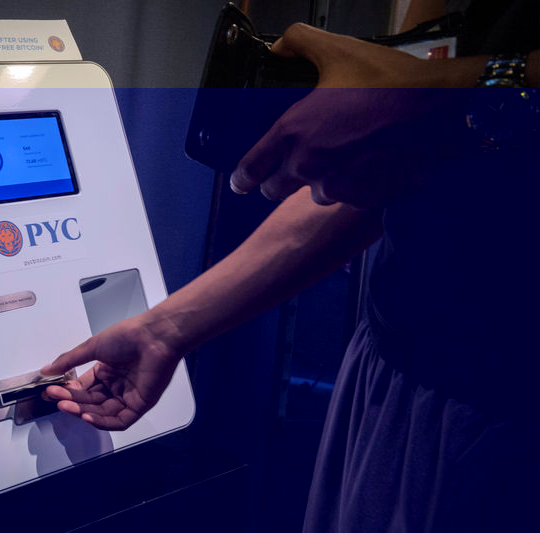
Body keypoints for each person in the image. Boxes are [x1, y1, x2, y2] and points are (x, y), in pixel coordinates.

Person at [42, 0, 539, 530]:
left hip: (504, 402)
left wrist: (458, 92)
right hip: (396, 376)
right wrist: (165, 330)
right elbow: (386, 181)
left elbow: (432, 114)